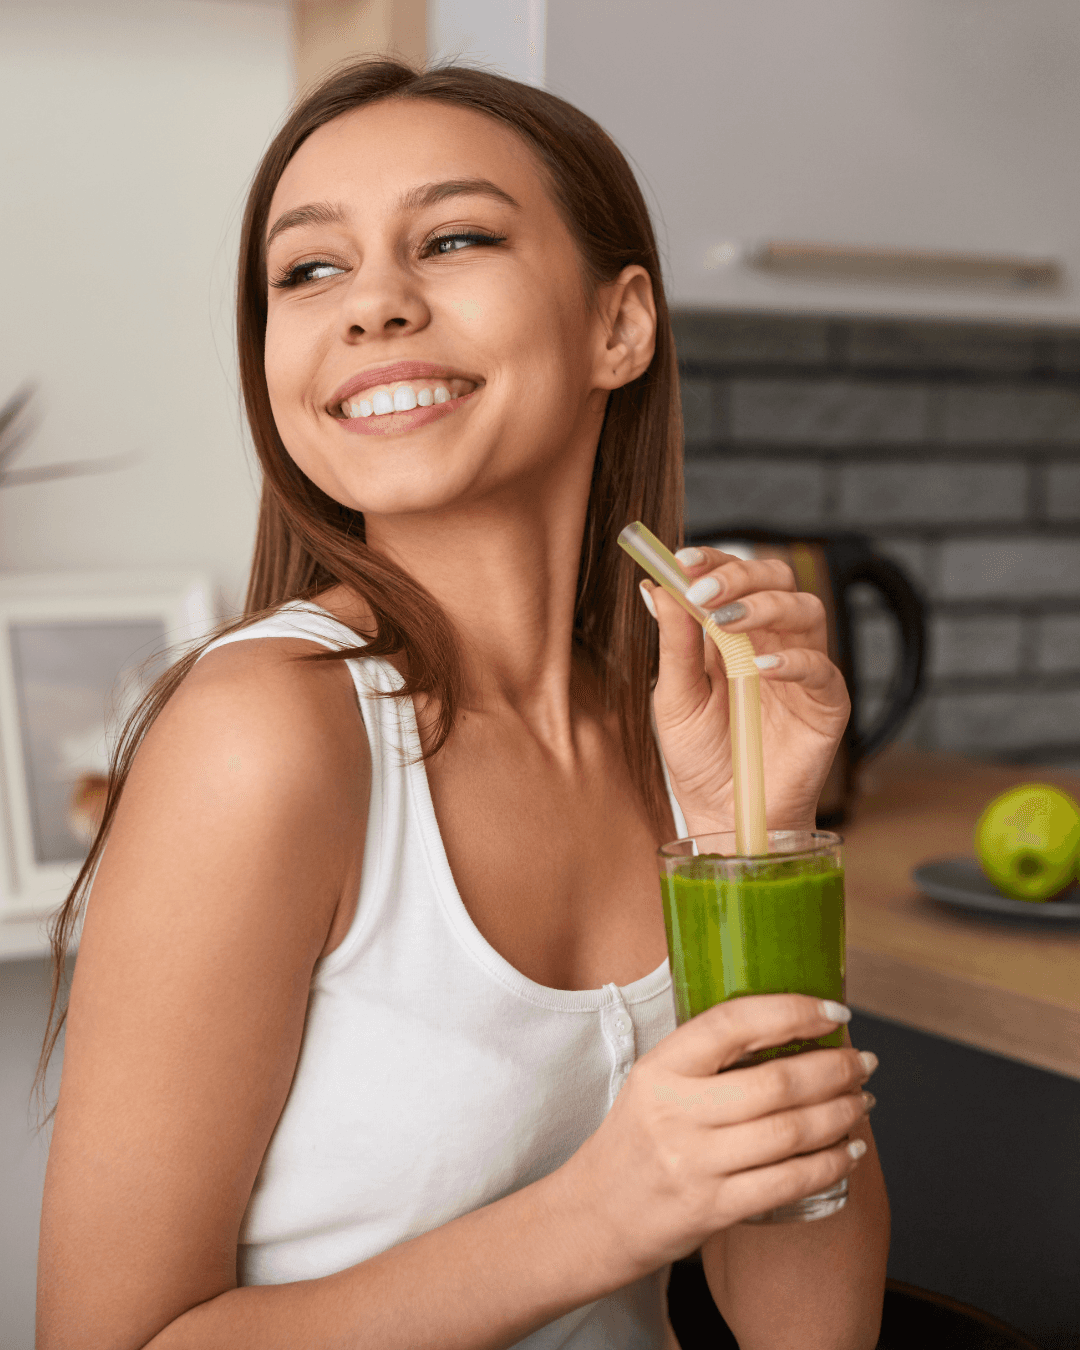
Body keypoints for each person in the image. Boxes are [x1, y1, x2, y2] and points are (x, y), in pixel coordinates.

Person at [35, 59, 889, 1350]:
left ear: (622, 325)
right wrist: (600, 1214)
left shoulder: (672, 730)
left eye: (454, 237)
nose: (373, 301)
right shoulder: (264, 732)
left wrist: (748, 833)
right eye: (308, 271)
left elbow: (805, 1327)